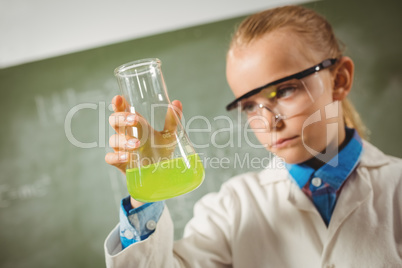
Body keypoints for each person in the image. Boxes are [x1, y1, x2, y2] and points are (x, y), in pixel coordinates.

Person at [104, 5, 402, 267]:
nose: (268, 122)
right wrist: (145, 192)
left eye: (285, 90)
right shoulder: (232, 207)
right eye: (249, 105)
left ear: (339, 79)